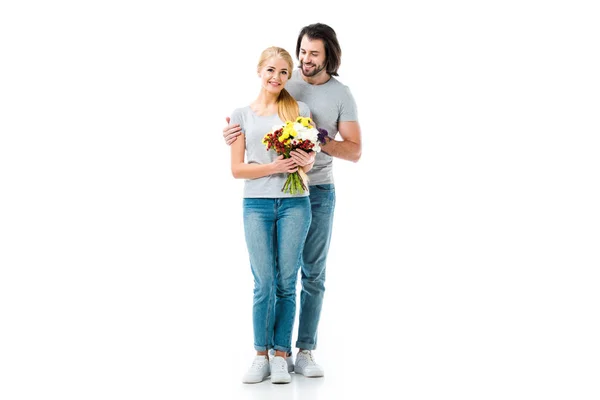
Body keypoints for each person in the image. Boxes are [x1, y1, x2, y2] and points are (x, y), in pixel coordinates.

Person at [223, 23, 362, 378]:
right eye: (302, 52)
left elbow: (355, 150)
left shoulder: (339, 94)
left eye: (313, 54)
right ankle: (268, 353)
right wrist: (233, 134)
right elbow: (250, 132)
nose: (304, 60)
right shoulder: (286, 80)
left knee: (310, 274)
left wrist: (314, 142)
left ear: (329, 55)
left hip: (315, 192)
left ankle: (302, 350)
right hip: (271, 191)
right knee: (269, 280)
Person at [230, 46, 317, 384]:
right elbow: (237, 170)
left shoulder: (299, 110)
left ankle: (282, 354)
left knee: (286, 281)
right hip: (257, 205)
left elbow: (309, 160)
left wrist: (303, 162)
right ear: (259, 71)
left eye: (284, 72)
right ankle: (260, 354)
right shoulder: (241, 115)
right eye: (271, 70)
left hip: (296, 202)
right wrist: (273, 167)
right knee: (263, 282)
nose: (277, 78)